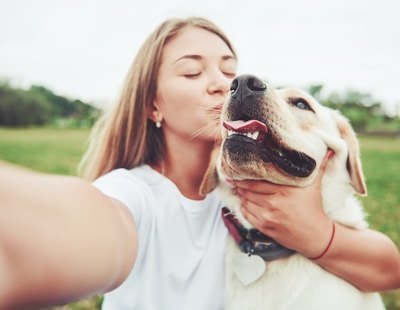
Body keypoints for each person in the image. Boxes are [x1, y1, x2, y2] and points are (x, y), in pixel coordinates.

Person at [0, 16, 399, 310]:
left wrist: (312, 232)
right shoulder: (137, 196)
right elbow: (89, 225)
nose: (225, 82)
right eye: (191, 71)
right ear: (152, 105)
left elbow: (386, 268)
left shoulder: (247, 197)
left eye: (229, 69)